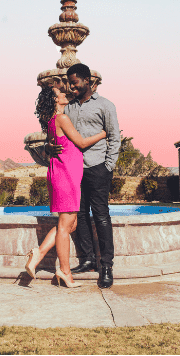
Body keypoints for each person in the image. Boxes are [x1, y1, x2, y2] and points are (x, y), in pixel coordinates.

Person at [24, 86, 106, 288]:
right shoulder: (62, 119)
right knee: (65, 226)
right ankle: (65, 272)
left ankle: (39, 253)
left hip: (63, 174)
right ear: (54, 100)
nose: (64, 94)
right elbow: (82, 142)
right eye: (60, 93)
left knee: (70, 225)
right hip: (66, 176)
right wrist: (104, 133)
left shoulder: (52, 122)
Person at [47, 63, 120, 289]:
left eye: (75, 82)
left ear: (87, 81)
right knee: (79, 215)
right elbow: (59, 134)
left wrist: (108, 166)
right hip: (73, 171)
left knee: (101, 215)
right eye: (69, 83)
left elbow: (114, 137)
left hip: (97, 167)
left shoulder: (106, 105)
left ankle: (106, 265)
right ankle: (88, 258)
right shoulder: (68, 108)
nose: (71, 86)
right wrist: (50, 146)